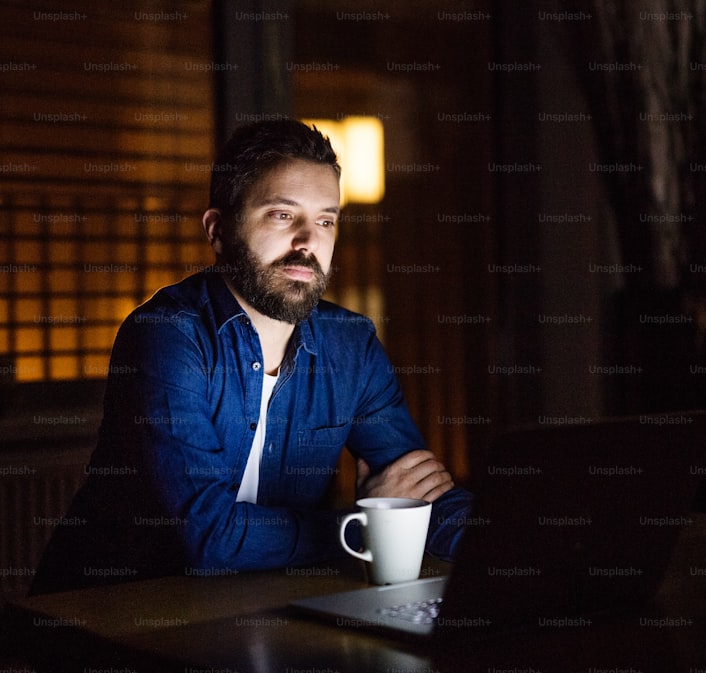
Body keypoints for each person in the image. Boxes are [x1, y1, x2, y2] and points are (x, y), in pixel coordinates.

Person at [30, 120, 472, 595]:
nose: (309, 241)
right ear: (218, 231)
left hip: (259, 605)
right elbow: (207, 537)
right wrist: (362, 525)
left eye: (326, 220)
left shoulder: (351, 346)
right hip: (114, 612)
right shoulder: (167, 335)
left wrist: (530, 547)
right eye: (283, 215)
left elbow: (421, 498)